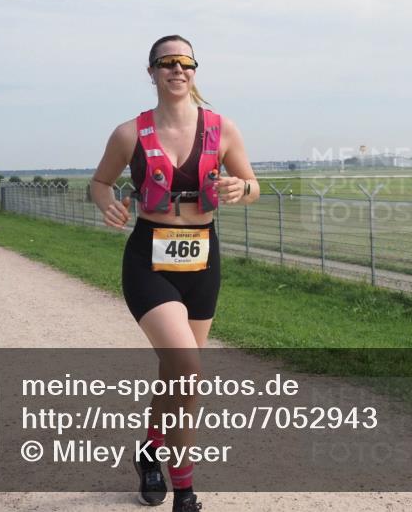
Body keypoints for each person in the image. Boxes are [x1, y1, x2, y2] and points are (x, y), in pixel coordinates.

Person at [91, 35, 259, 511]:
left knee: (176, 375)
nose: (177, 70)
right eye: (167, 62)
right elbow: (100, 182)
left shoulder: (223, 129)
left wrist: (237, 188)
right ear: (152, 72)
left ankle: (148, 451)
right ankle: (184, 488)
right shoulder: (130, 134)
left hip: (203, 260)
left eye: (186, 62)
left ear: (194, 71)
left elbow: (253, 186)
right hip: (149, 259)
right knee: (188, 370)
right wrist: (107, 204)